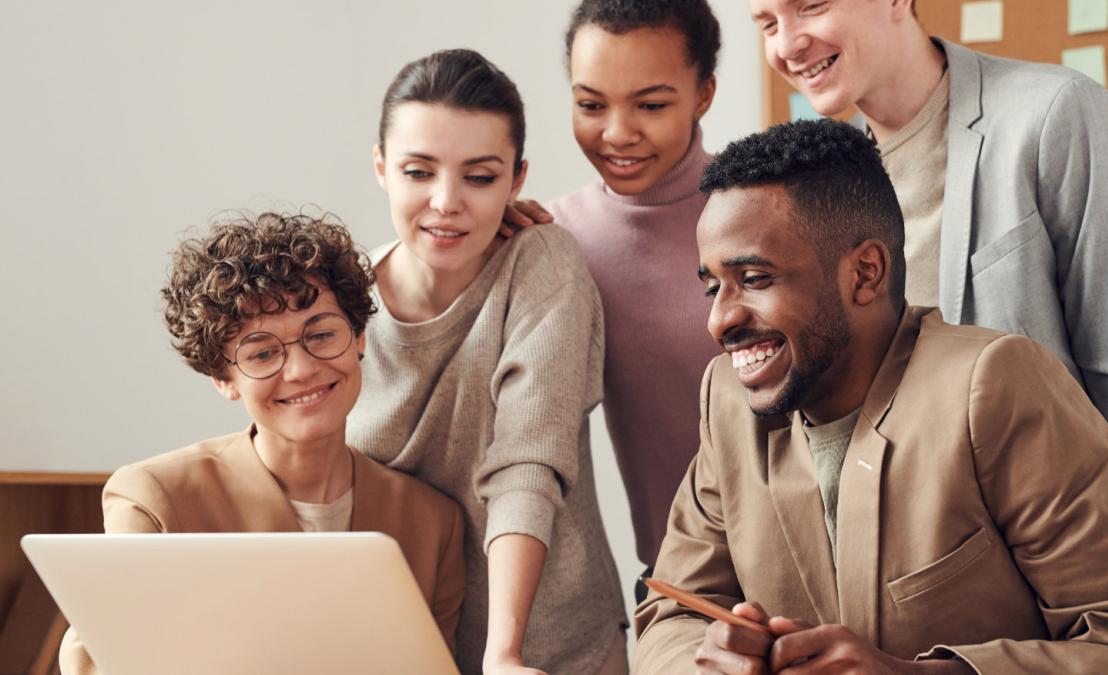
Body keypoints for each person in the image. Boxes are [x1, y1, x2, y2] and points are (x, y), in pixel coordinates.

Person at [749, 0, 1108, 667]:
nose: (787, 45)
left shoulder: (1055, 116)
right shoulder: (813, 188)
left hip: (1067, 605)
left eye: (809, 5)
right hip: (904, 624)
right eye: (765, 22)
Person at [634, 119, 1108, 674]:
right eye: (712, 286)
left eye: (754, 278)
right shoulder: (728, 399)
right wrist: (707, 662)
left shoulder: (994, 387)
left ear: (865, 273)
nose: (719, 319)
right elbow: (669, 612)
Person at [59, 212, 466, 675]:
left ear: (358, 338)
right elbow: (97, 660)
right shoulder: (155, 497)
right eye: (262, 352)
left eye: (321, 334)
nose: (301, 370)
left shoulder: (433, 523)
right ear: (223, 379)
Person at [345, 49, 625, 675]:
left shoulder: (540, 264)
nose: (446, 202)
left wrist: (505, 654)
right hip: (399, 649)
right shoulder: (341, 298)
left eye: (479, 177)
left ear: (516, 179)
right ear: (381, 168)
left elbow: (527, 460)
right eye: (419, 172)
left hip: (548, 648)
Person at [506, 0, 723, 602]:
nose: (617, 133)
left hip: (822, 567)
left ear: (703, 93)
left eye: (651, 105)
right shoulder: (554, 239)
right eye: (591, 105)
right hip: (680, 587)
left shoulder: (762, 208)